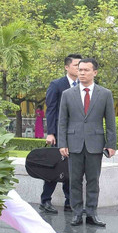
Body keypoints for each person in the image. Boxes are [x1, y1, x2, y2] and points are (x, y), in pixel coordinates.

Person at [59, 57, 116, 227]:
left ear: (95, 72)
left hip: (95, 144)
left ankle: (91, 213)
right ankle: (77, 213)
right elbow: (62, 121)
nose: (82, 73)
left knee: (93, 180)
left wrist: (111, 144)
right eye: (80, 69)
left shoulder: (105, 94)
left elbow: (110, 121)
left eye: (86, 70)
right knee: (74, 180)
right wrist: (62, 143)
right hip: (74, 143)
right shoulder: (67, 94)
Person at [40, 53, 82, 214]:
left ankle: (69, 202)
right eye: (76, 65)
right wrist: (51, 132)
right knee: (55, 167)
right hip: (60, 133)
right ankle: (45, 200)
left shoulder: (84, 85)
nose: (79, 69)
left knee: (72, 169)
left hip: (77, 134)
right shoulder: (57, 85)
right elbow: (50, 110)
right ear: (67, 67)